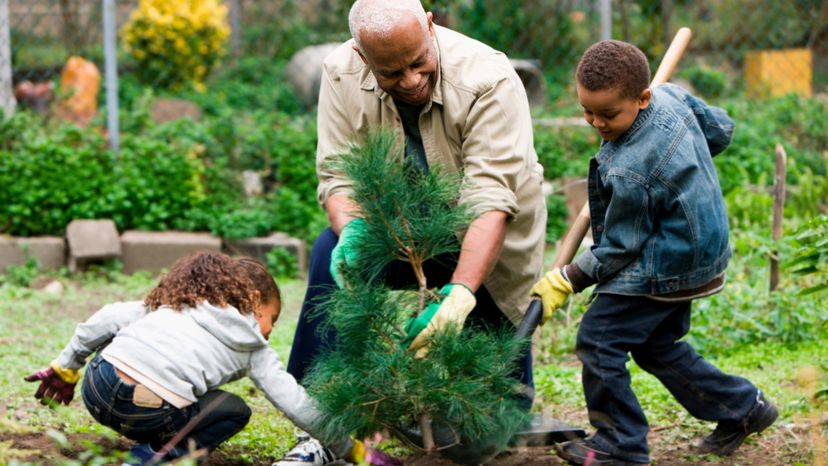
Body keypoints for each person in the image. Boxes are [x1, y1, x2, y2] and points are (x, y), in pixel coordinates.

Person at [278, 0, 547, 463]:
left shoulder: (490, 77)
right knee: (328, 250)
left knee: (490, 430)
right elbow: (338, 177)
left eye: (419, 62)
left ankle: (483, 401)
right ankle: (322, 422)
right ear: (364, 58)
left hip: (483, 243)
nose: (410, 80)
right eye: (391, 72)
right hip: (397, 235)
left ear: (429, 26)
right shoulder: (340, 72)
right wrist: (353, 232)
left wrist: (461, 293)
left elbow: (490, 200)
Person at [530, 40, 778, 466]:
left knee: (599, 340)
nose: (596, 123)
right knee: (655, 344)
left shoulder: (629, 168)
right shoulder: (671, 95)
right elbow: (719, 129)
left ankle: (620, 444)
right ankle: (744, 408)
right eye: (587, 111)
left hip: (666, 263)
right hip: (701, 251)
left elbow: (621, 247)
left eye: (608, 115)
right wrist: (685, 168)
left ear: (642, 98)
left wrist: (568, 277)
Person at [25, 252, 366, 466]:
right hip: (147, 412)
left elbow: (107, 318)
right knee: (234, 411)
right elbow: (298, 405)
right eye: (271, 319)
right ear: (253, 299)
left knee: (131, 343)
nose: (268, 332)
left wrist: (66, 367)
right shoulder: (253, 348)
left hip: (96, 388)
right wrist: (352, 450)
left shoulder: (178, 302)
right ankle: (150, 459)